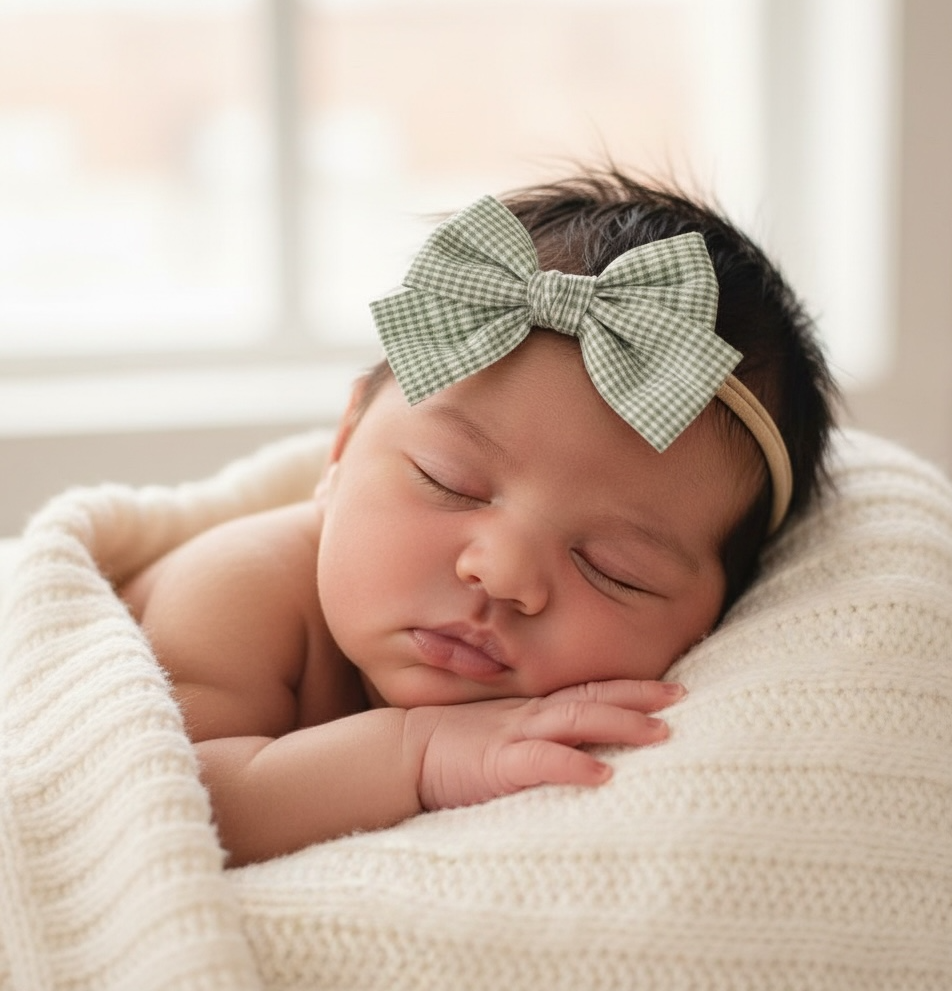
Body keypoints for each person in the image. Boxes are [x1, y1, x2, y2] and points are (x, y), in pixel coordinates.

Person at [120, 169, 836, 867]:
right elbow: (158, 808)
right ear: (341, 450)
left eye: (615, 568)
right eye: (448, 482)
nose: (501, 573)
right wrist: (418, 753)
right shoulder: (239, 586)